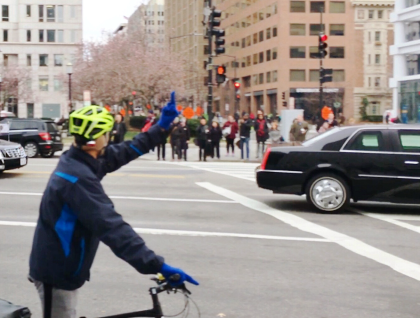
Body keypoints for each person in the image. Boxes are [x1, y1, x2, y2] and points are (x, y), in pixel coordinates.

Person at [28, 92, 198, 318]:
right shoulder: (76, 179)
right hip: (56, 273)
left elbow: (129, 149)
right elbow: (113, 228)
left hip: (66, 267)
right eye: (106, 134)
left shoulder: (81, 158)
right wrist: (158, 266)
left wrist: (162, 125)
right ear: (98, 138)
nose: (108, 138)